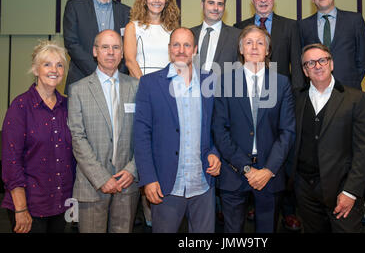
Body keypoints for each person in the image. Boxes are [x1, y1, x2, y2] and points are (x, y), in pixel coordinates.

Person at [133, 27, 221, 233]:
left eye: (187, 45)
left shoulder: (209, 81)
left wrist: (215, 153)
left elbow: (217, 126)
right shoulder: (150, 83)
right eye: (176, 45)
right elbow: (141, 135)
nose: (181, 50)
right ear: (169, 48)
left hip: (202, 184)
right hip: (166, 185)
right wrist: (149, 179)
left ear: (195, 49)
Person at [212, 25, 295, 233]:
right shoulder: (224, 81)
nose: (254, 47)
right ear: (241, 49)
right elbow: (220, 130)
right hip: (234, 172)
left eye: (260, 43)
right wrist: (247, 168)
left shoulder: (282, 83)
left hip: (270, 173)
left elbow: (287, 131)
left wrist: (268, 170)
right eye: (249, 42)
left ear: (268, 50)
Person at [290, 43, 365, 233]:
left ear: (331, 64)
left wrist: (350, 191)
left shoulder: (356, 99)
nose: (317, 66)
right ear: (305, 70)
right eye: (310, 63)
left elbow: (363, 150)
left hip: (341, 190)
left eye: (322, 60)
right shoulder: (297, 99)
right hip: (305, 190)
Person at [67, 29, 139, 233]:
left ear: (122, 53)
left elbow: (144, 134)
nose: (111, 52)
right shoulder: (78, 89)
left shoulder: (136, 87)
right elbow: (77, 138)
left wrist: (132, 170)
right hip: (91, 186)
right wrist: (101, 178)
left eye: (116, 47)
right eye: (105, 47)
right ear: (95, 51)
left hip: (127, 184)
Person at [1, 40, 75, 233]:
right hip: (30, 205)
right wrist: (21, 208)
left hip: (62, 204)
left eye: (60, 65)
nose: (54, 70)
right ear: (35, 70)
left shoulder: (68, 107)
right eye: (47, 64)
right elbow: (11, 162)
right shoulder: (20, 107)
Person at [63, 0, 131, 93]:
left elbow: (129, 48)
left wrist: (115, 73)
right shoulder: (74, 7)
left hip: (118, 83)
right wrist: (99, 72)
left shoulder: (127, 12)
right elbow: (71, 44)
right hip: (82, 81)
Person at [299, 0, 365, 90]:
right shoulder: (303, 25)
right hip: (316, 89)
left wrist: (354, 80)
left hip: (349, 88)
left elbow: (363, 56)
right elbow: (302, 60)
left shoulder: (354, 20)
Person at [234, 0, 305, 91]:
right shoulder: (239, 28)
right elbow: (237, 63)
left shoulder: (290, 26)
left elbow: (296, 65)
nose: (263, 0)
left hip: (281, 90)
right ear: (252, 0)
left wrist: (297, 94)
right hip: (247, 90)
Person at [124, 0, 180, 79]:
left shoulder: (173, 29)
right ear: (144, 0)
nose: (157, 0)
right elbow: (130, 61)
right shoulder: (132, 27)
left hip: (167, 84)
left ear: (166, 1)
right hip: (141, 84)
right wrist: (145, 85)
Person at [190, 0, 241, 73]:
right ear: (202, 5)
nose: (216, 8)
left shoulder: (237, 36)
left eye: (220, 4)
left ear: (224, 7)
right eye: (211, 3)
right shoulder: (190, 34)